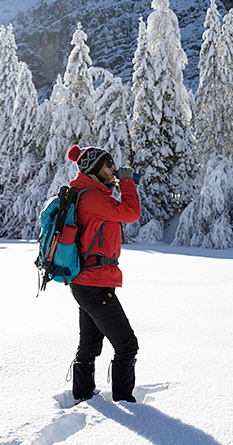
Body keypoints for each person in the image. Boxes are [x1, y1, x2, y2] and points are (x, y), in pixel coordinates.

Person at [65, 144, 141, 403]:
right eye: (109, 165)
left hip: (85, 281)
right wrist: (128, 183)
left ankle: (83, 397)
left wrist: (119, 183)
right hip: (95, 283)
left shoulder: (86, 192)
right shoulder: (95, 198)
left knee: (89, 345)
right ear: (96, 168)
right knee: (127, 345)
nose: (113, 168)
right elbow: (131, 213)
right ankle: (124, 400)